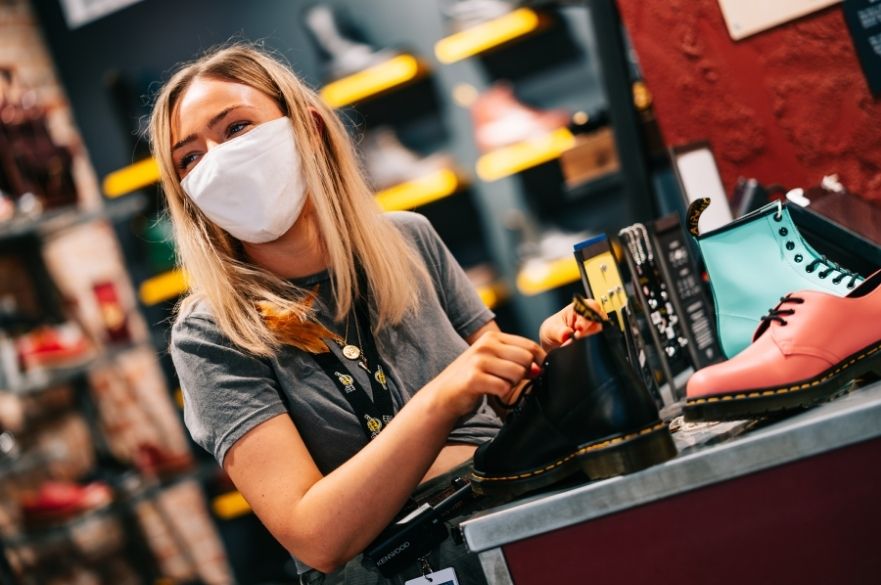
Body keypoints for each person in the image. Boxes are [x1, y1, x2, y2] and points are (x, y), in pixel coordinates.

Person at [150, 44, 600, 584]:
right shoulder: (211, 333)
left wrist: (551, 360)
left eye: (236, 129)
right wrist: (442, 398)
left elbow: (510, 404)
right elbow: (316, 536)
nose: (215, 162)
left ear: (309, 127)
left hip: (518, 531)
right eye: (189, 158)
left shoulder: (409, 239)